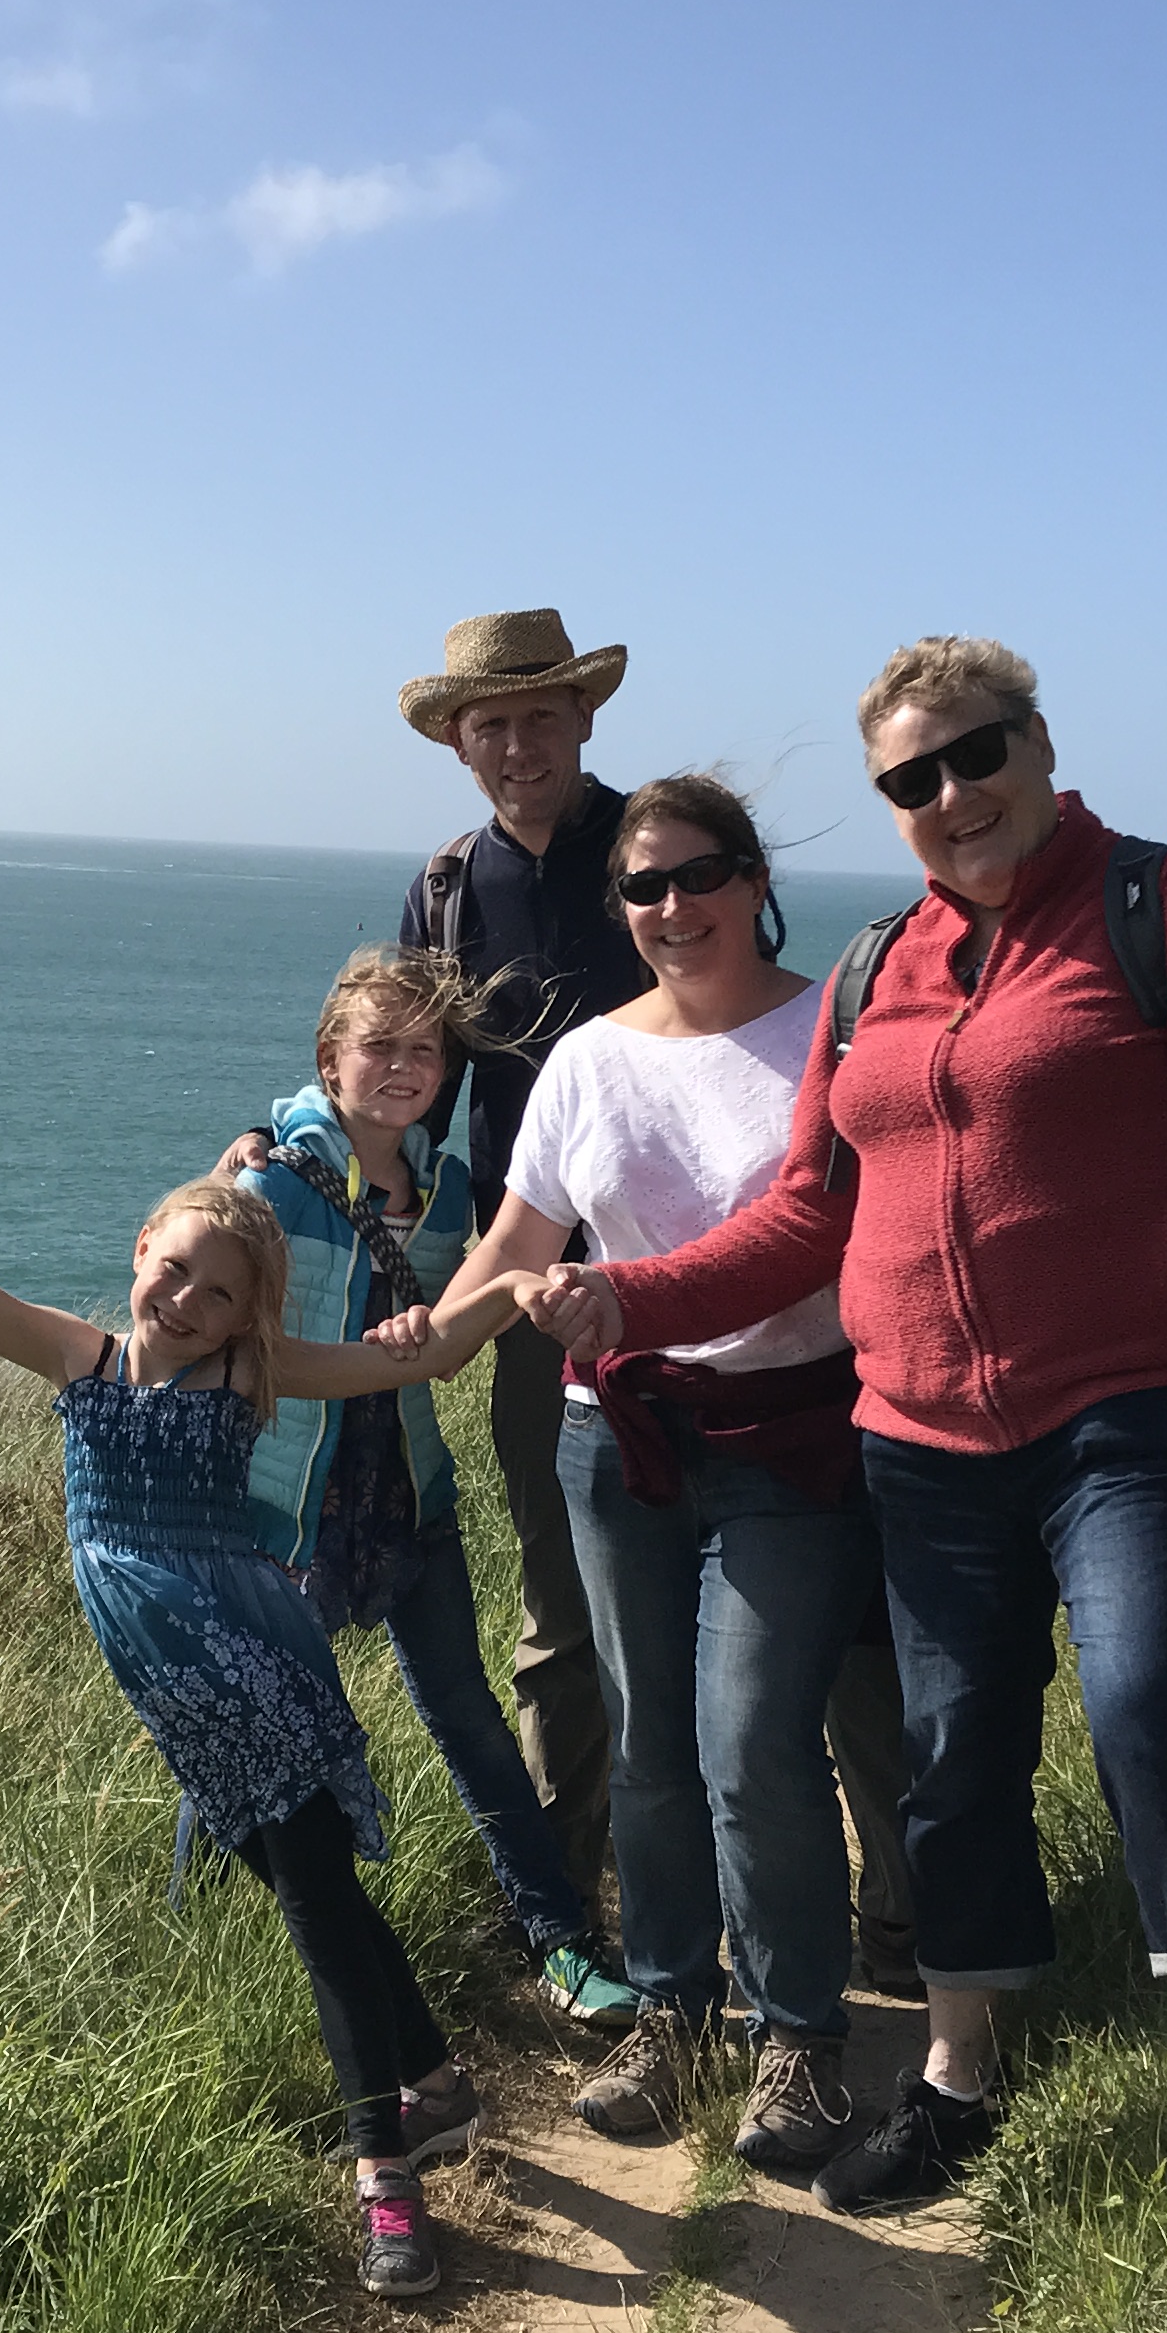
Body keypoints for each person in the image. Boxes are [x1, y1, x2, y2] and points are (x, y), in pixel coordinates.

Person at [529, 637, 1167, 2229]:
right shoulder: (875, 970)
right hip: (915, 1438)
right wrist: (628, 1300)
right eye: (912, 779)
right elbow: (805, 1216)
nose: (952, 795)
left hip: (1126, 1413)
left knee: (1147, 1703)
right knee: (955, 1754)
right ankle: (959, 2082)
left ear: (1038, 744)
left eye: (976, 754)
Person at [0, 1163, 539, 2296]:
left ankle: (384, 2174)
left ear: (245, 1317)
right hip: (180, 1701)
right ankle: (437, 2088)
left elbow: (415, 1361)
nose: (186, 1302)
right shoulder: (74, 1358)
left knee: (318, 1914)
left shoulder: (248, 1373)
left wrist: (509, 1286)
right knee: (318, 1895)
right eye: (174, 1271)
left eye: (219, 1294)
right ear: (141, 1252)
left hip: (255, 1669)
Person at [420, 776, 881, 2176]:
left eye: (700, 875)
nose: (672, 907)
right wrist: (419, 1344)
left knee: (754, 1744)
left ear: (755, 879)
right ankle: (674, 2010)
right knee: (647, 1742)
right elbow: (517, 1242)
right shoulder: (586, 1060)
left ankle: (797, 2036)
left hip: (789, 1434)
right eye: (642, 886)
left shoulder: (829, 1031)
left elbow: (834, 1228)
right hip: (612, 1438)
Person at [233, 946, 643, 2028]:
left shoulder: (455, 1190)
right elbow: (233, 1341)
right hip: (284, 1506)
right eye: (379, 1045)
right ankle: (268, 1942)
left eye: (425, 1048)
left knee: (469, 1719)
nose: (405, 1066)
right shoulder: (267, 1183)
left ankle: (556, 1938)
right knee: (273, 1734)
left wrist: (483, 1305)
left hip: (409, 1491)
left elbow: (451, 1333)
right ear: (330, 1059)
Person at [382, 610, 656, 1903]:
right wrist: (291, 1160)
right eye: (489, 723)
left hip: (691, 1278)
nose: (517, 744)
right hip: (530, 1288)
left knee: (727, 1584)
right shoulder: (444, 893)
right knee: (558, 1593)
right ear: (457, 743)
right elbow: (407, 1088)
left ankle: (728, 1873)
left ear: (584, 718)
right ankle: (571, 1887)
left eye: (541, 715)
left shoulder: (658, 853)